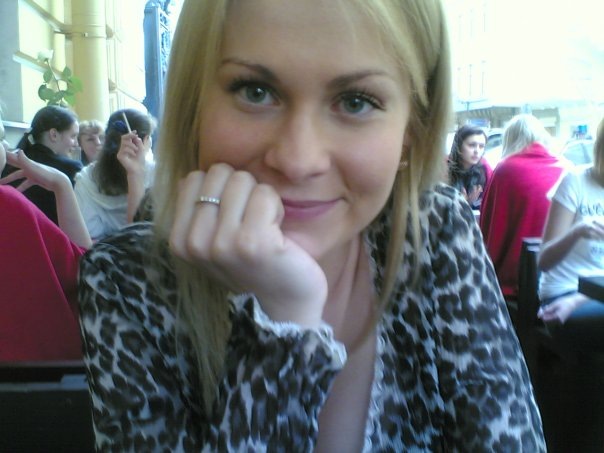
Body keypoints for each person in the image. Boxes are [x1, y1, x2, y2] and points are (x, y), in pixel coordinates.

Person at [78, 1, 545, 451]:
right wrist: (283, 325)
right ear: (194, 107)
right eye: (254, 91)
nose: (298, 161)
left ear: (410, 133)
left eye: (356, 102)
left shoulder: (434, 231)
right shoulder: (127, 279)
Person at [0, 115, 91, 361]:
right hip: (45, 376)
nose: (6, 146)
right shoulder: (6, 202)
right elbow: (87, 272)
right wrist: (62, 186)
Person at [480, 114, 568, 299]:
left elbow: (491, 230)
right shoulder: (567, 167)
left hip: (519, 281)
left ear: (510, 140)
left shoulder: (507, 170)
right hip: (564, 276)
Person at [537, 116, 604, 353]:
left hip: (584, 299)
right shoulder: (576, 181)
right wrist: (577, 231)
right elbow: (544, 261)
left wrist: (580, 299)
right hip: (562, 291)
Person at [74, 109, 155, 241]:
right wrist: (135, 175)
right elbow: (144, 238)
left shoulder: (85, 178)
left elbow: (89, 237)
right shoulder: (159, 174)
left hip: (102, 252)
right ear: (146, 140)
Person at [2, 105, 83, 224]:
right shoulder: (71, 169)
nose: (76, 143)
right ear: (54, 134)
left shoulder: (8, 164)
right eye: (73, 136)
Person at [447, 124, 493, 209]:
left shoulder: (485, 170)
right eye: (472, 145)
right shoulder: (443, 169)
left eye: (481, 146)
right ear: (458, 146)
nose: (477, 151)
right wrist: (463, 205)